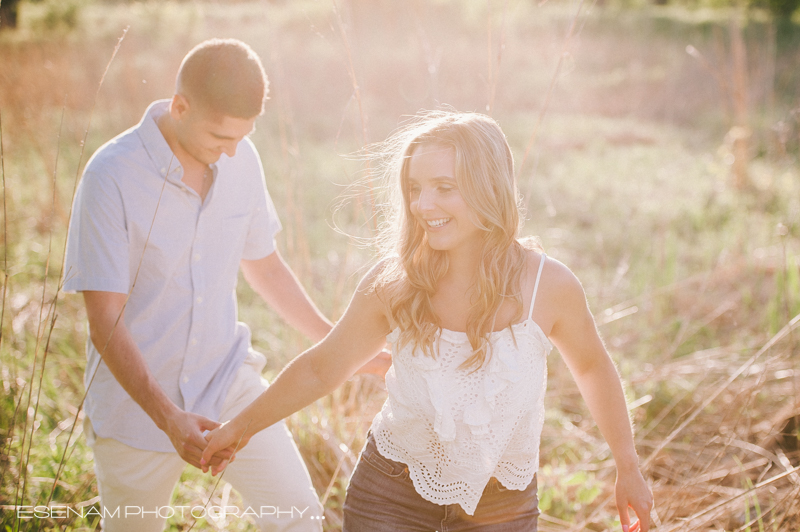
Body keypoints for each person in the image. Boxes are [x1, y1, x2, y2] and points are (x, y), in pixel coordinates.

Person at [201, 110, 654, 531]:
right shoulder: (395, 282)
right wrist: (237, 430)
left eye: (444, 187)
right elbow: (323, 367)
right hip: (389, 495)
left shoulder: (549, 286)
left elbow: (593, 367)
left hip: (503, 508)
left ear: (488, 188)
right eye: (415, 188)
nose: (422, 204)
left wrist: (628, 466)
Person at [63, 38, 386, 532]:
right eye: (220, 136)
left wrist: (337, 346)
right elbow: (104, 319)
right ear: (180, 106)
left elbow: (266, 266)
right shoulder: (111, 176)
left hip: (229, 383)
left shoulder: (241, 156)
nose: (233, 150)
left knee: (298, 517)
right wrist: (168, 417)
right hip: (137, 409)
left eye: (242, 136)